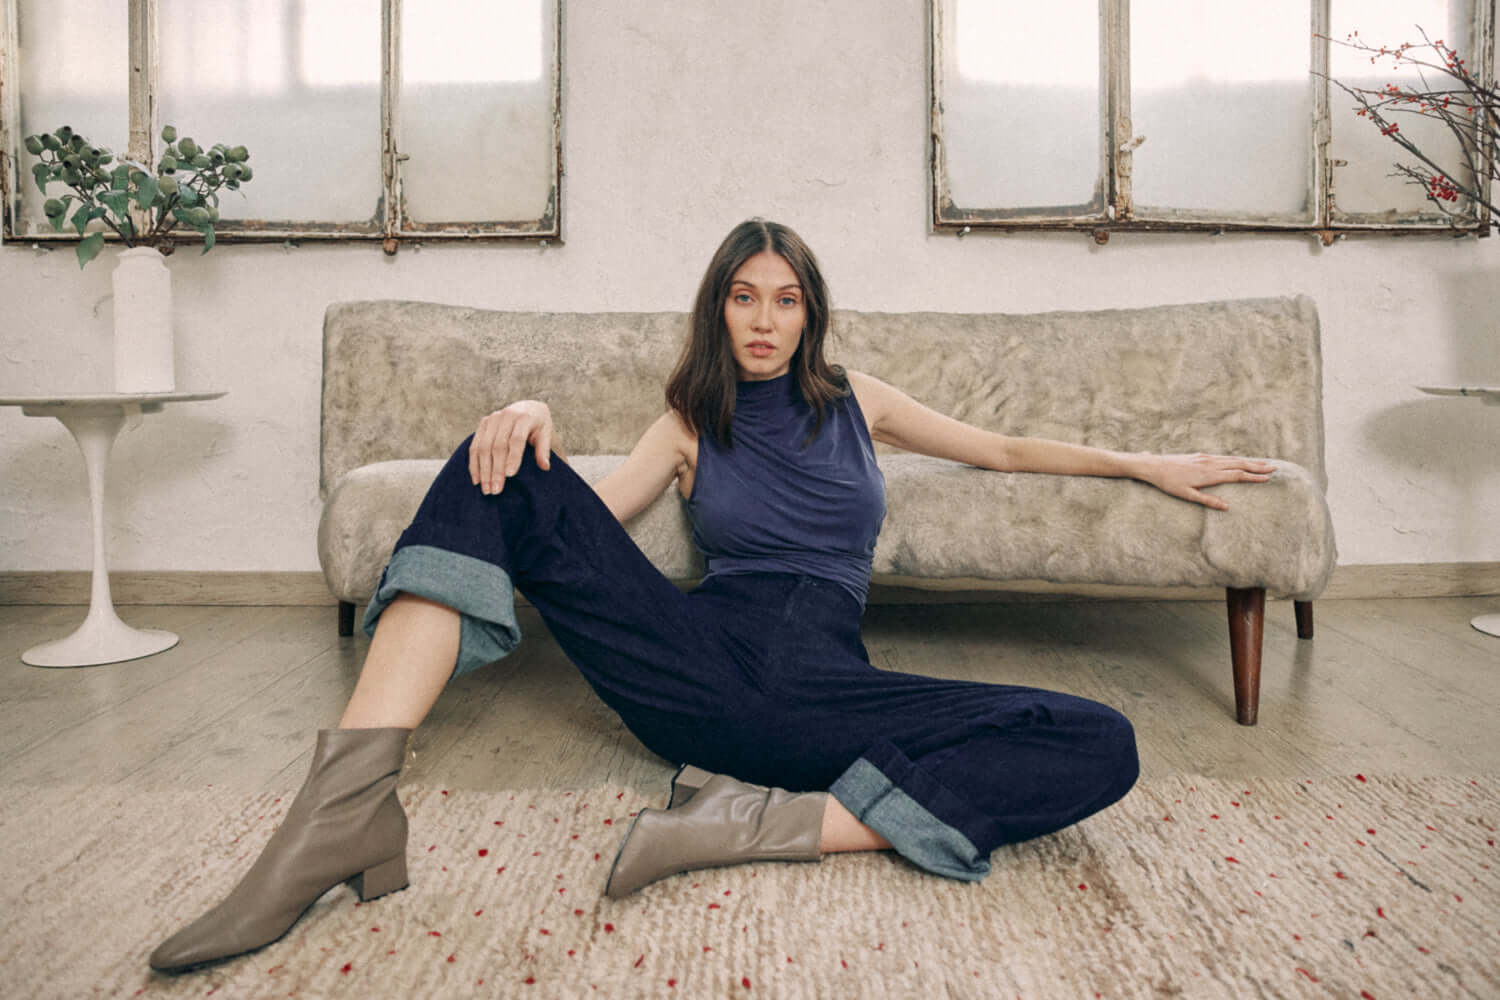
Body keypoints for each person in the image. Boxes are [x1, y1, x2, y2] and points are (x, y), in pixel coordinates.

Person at [149, 220, 1274, 973]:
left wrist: (1143, 465)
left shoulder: (858, 400)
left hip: (816, 697)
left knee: (1098, 738)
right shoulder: (689, 419)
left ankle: (744, 824)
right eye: (745, 297)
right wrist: (529, 413)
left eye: (786, 300)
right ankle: (343, 810)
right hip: (690, 664)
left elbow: (1009, 452)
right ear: (719, 309)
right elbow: (597, 508)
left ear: (810, 312)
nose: (766, 320)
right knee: (492, 458)